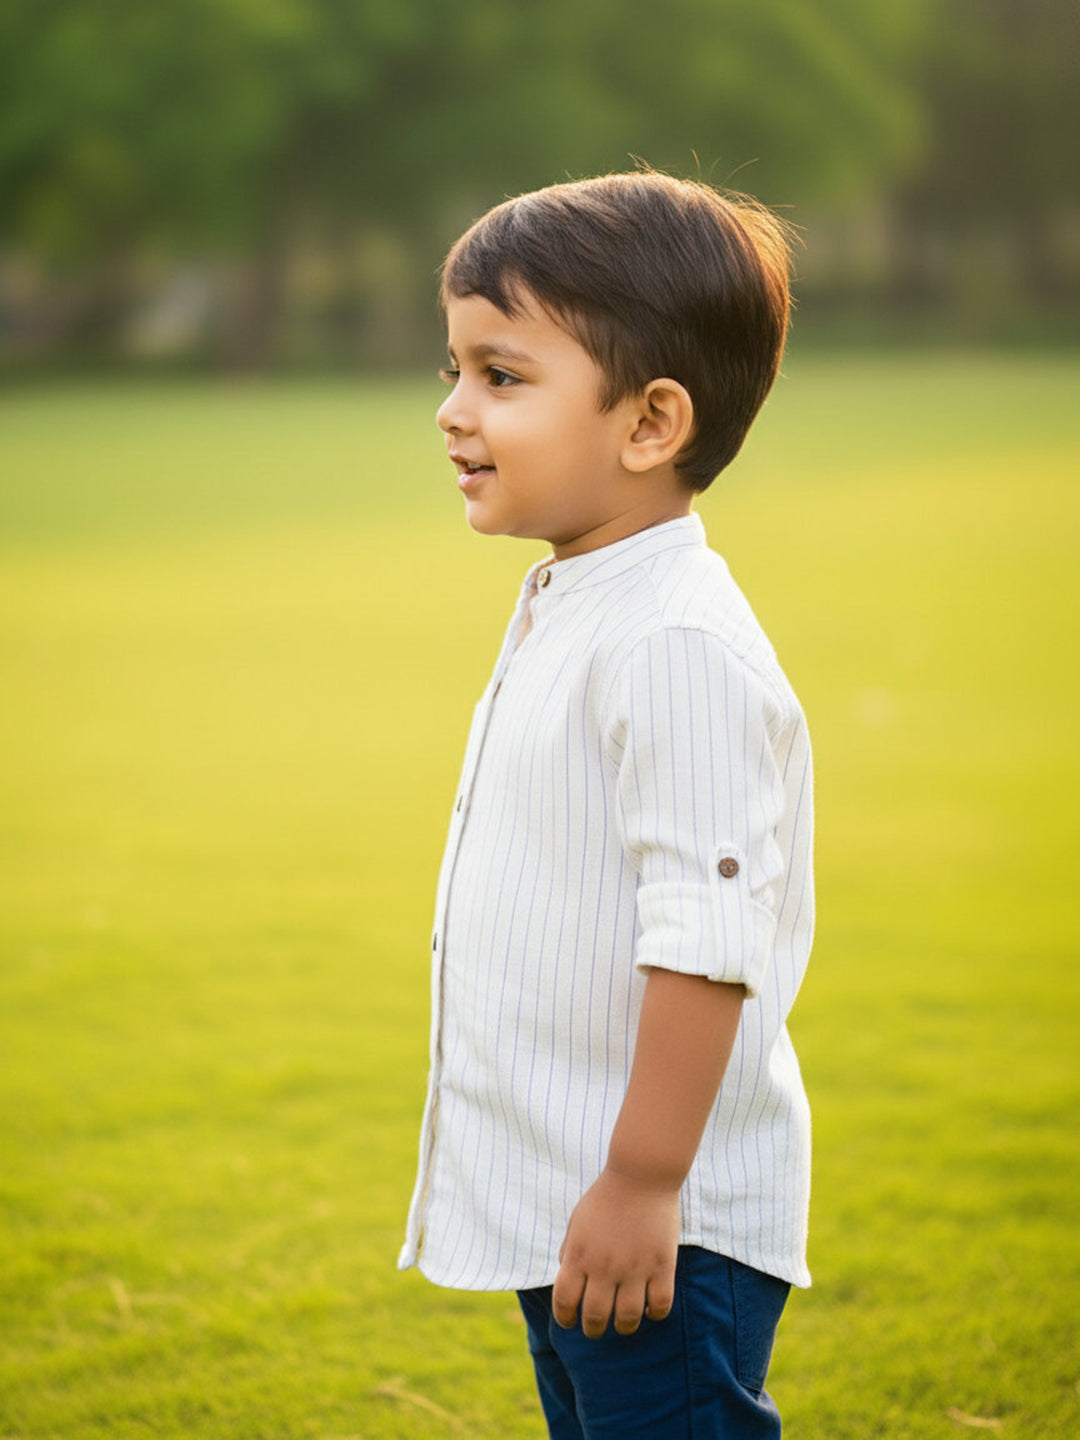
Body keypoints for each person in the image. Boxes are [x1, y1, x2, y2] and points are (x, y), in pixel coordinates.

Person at [399, 169, 814, 1439]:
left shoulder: (671, 640)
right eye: (456, 369)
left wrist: (642, 1181)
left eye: (501, 375)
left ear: (650, 423)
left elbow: (706, 940)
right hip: (576, 1196)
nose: (452, 411)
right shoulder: (582, 601)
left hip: (663, 1223)